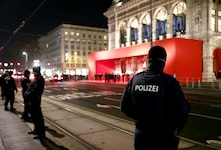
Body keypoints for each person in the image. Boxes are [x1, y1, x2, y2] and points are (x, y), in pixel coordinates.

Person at [121, 46, 189, 150]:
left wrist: (140, 118)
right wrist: (174, 126)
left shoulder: (136, 79)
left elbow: (124, 106)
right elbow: (182, 111)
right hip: (163, 138)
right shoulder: (169, 82)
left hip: (141, 136)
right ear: (164, 61)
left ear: (149, 60)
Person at [25, 66, 46, 140]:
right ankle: (36, 130)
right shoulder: (35, 80)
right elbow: (29, 88)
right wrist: (27, 93)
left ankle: (41, 134)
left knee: (38, 119)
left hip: (35, 102)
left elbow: (35, 91)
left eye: (36, 74)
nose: (34, 76)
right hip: (31, 102)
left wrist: (28, 93)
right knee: (34, 117)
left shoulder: (40, 81)